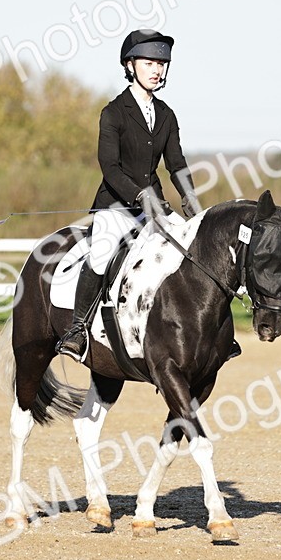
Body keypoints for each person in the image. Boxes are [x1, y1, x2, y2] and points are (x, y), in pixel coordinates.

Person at [55, 28, 202, 362]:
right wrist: (139, 196)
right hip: (117, 207)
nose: (157, 70)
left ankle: (205, 329)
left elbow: (176, 162)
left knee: (191, 249)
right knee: (101, 253)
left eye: (162, 64)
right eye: (150, 62)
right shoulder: (113, 112)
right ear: (130, 65)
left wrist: (189, 195)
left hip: (156, 208)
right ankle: (77, 329)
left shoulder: (166, 115)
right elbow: (110, 166)